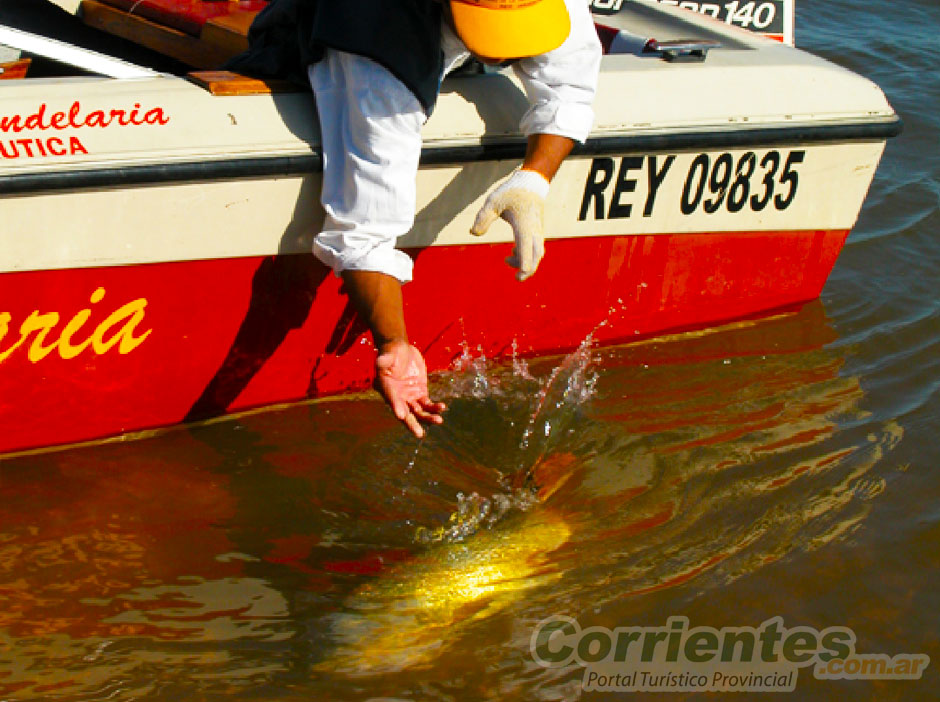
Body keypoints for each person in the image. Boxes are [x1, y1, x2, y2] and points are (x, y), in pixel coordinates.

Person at [230, 0, 602, 438]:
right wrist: (394, 345)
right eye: (493, 34)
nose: (504, 55)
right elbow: (363, 233)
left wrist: (533, 179)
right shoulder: (378, 58)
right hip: (337, 28)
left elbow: (570, 85)